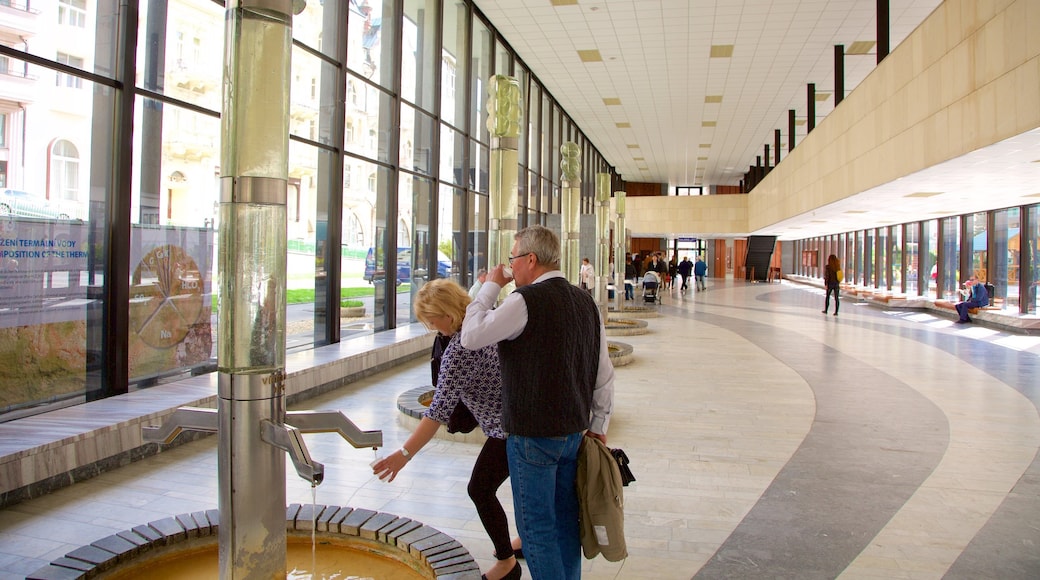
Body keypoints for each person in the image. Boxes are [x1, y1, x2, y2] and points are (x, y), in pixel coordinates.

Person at [462, 225, 615, 580]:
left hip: (532, 437)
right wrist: (598, 427)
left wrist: (491, 286)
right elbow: (603, 373)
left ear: (531, 259)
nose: (511, 267)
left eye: (514, 259)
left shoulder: (524, 301)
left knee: (536, 532)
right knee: (564, 526)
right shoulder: (585, 302)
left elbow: (471, 336)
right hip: (573, 436)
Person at [372, 279, 521, 580]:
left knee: (479, 489)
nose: (429, 326)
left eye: (431, 319)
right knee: (520, 483)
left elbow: (437, 412)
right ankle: (525, 541)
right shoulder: (484, 318)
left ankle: (507, 564)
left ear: (449, 314)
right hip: (519, 415)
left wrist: (404, 454)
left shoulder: (461, 349)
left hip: (508, 429)